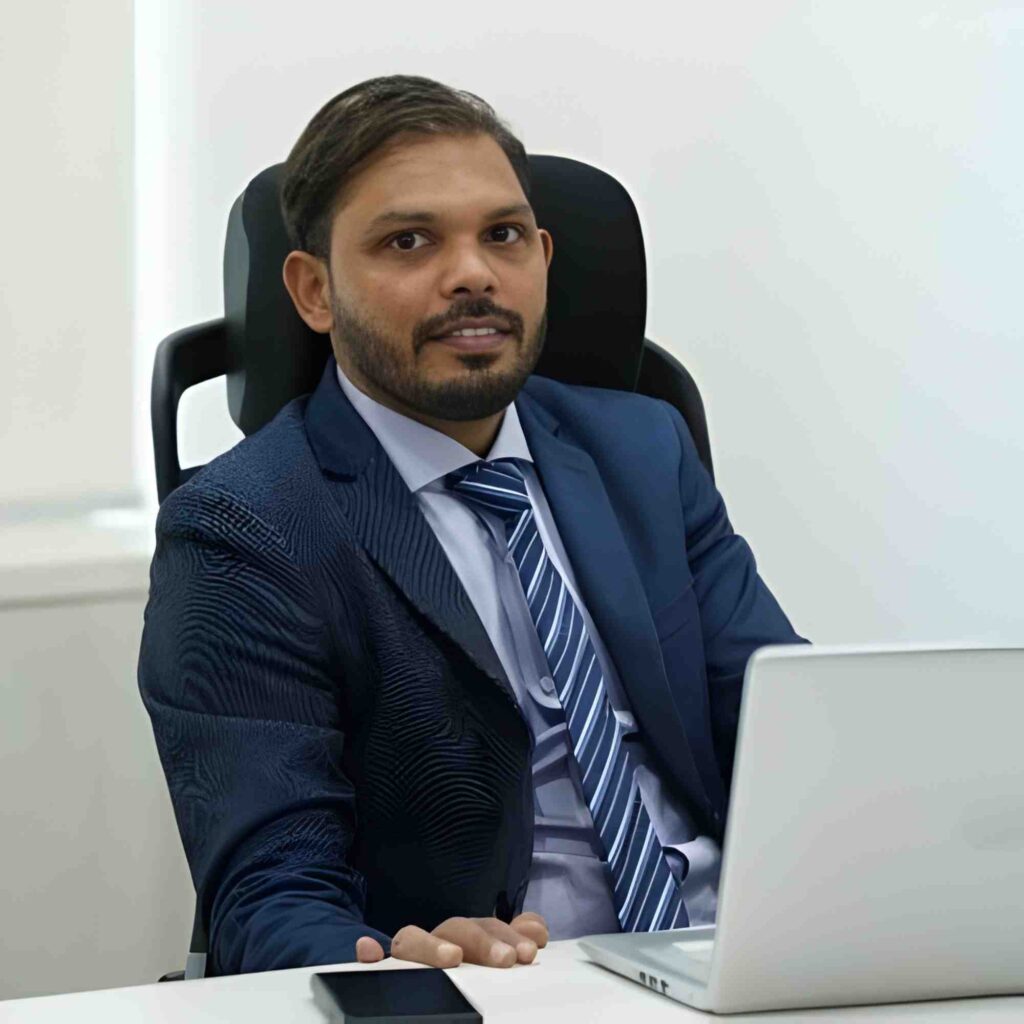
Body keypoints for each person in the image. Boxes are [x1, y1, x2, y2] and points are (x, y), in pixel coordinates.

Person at [138, 74, 809, 977]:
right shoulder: (242, 526)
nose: (474, 274)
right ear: (314, 291)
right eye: (409, 241)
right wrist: (392, 966)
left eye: (503, 235)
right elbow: (268, 898)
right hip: (511, 983)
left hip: (735, 953)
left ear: (543, 257)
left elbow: (789, 733)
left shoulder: (644, 448)